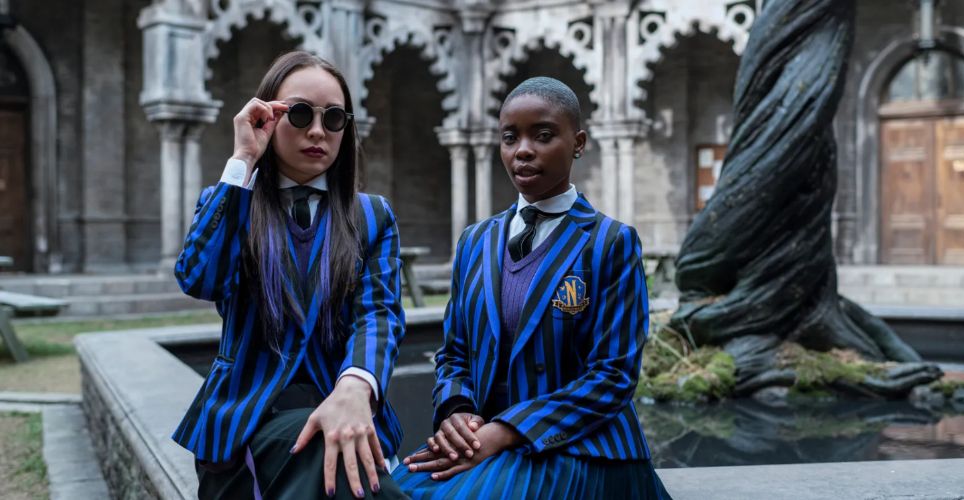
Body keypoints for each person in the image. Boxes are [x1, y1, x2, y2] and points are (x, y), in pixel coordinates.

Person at [392, 76, 671, 499]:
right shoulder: (475, 241)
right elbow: (454, 353)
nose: (523, 150)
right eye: (510, 137)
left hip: (580, 446)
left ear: (578, 142)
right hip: (482, 435)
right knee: (393, 491)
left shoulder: (610, 242)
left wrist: (508, 431)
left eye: (543, 135)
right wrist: (458, 411)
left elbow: (613, 375)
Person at [173, 50, 408, 500]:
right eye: (299, 114)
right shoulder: (230, 201)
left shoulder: (371, 216)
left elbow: (378, 314)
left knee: (337, 459)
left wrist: (356, 386)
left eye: (334, 118)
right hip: (249, 417)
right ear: (266, 117)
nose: (317, 130)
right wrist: (243, 159)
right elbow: (199, 279)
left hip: (342, 404)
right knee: (331, 462)